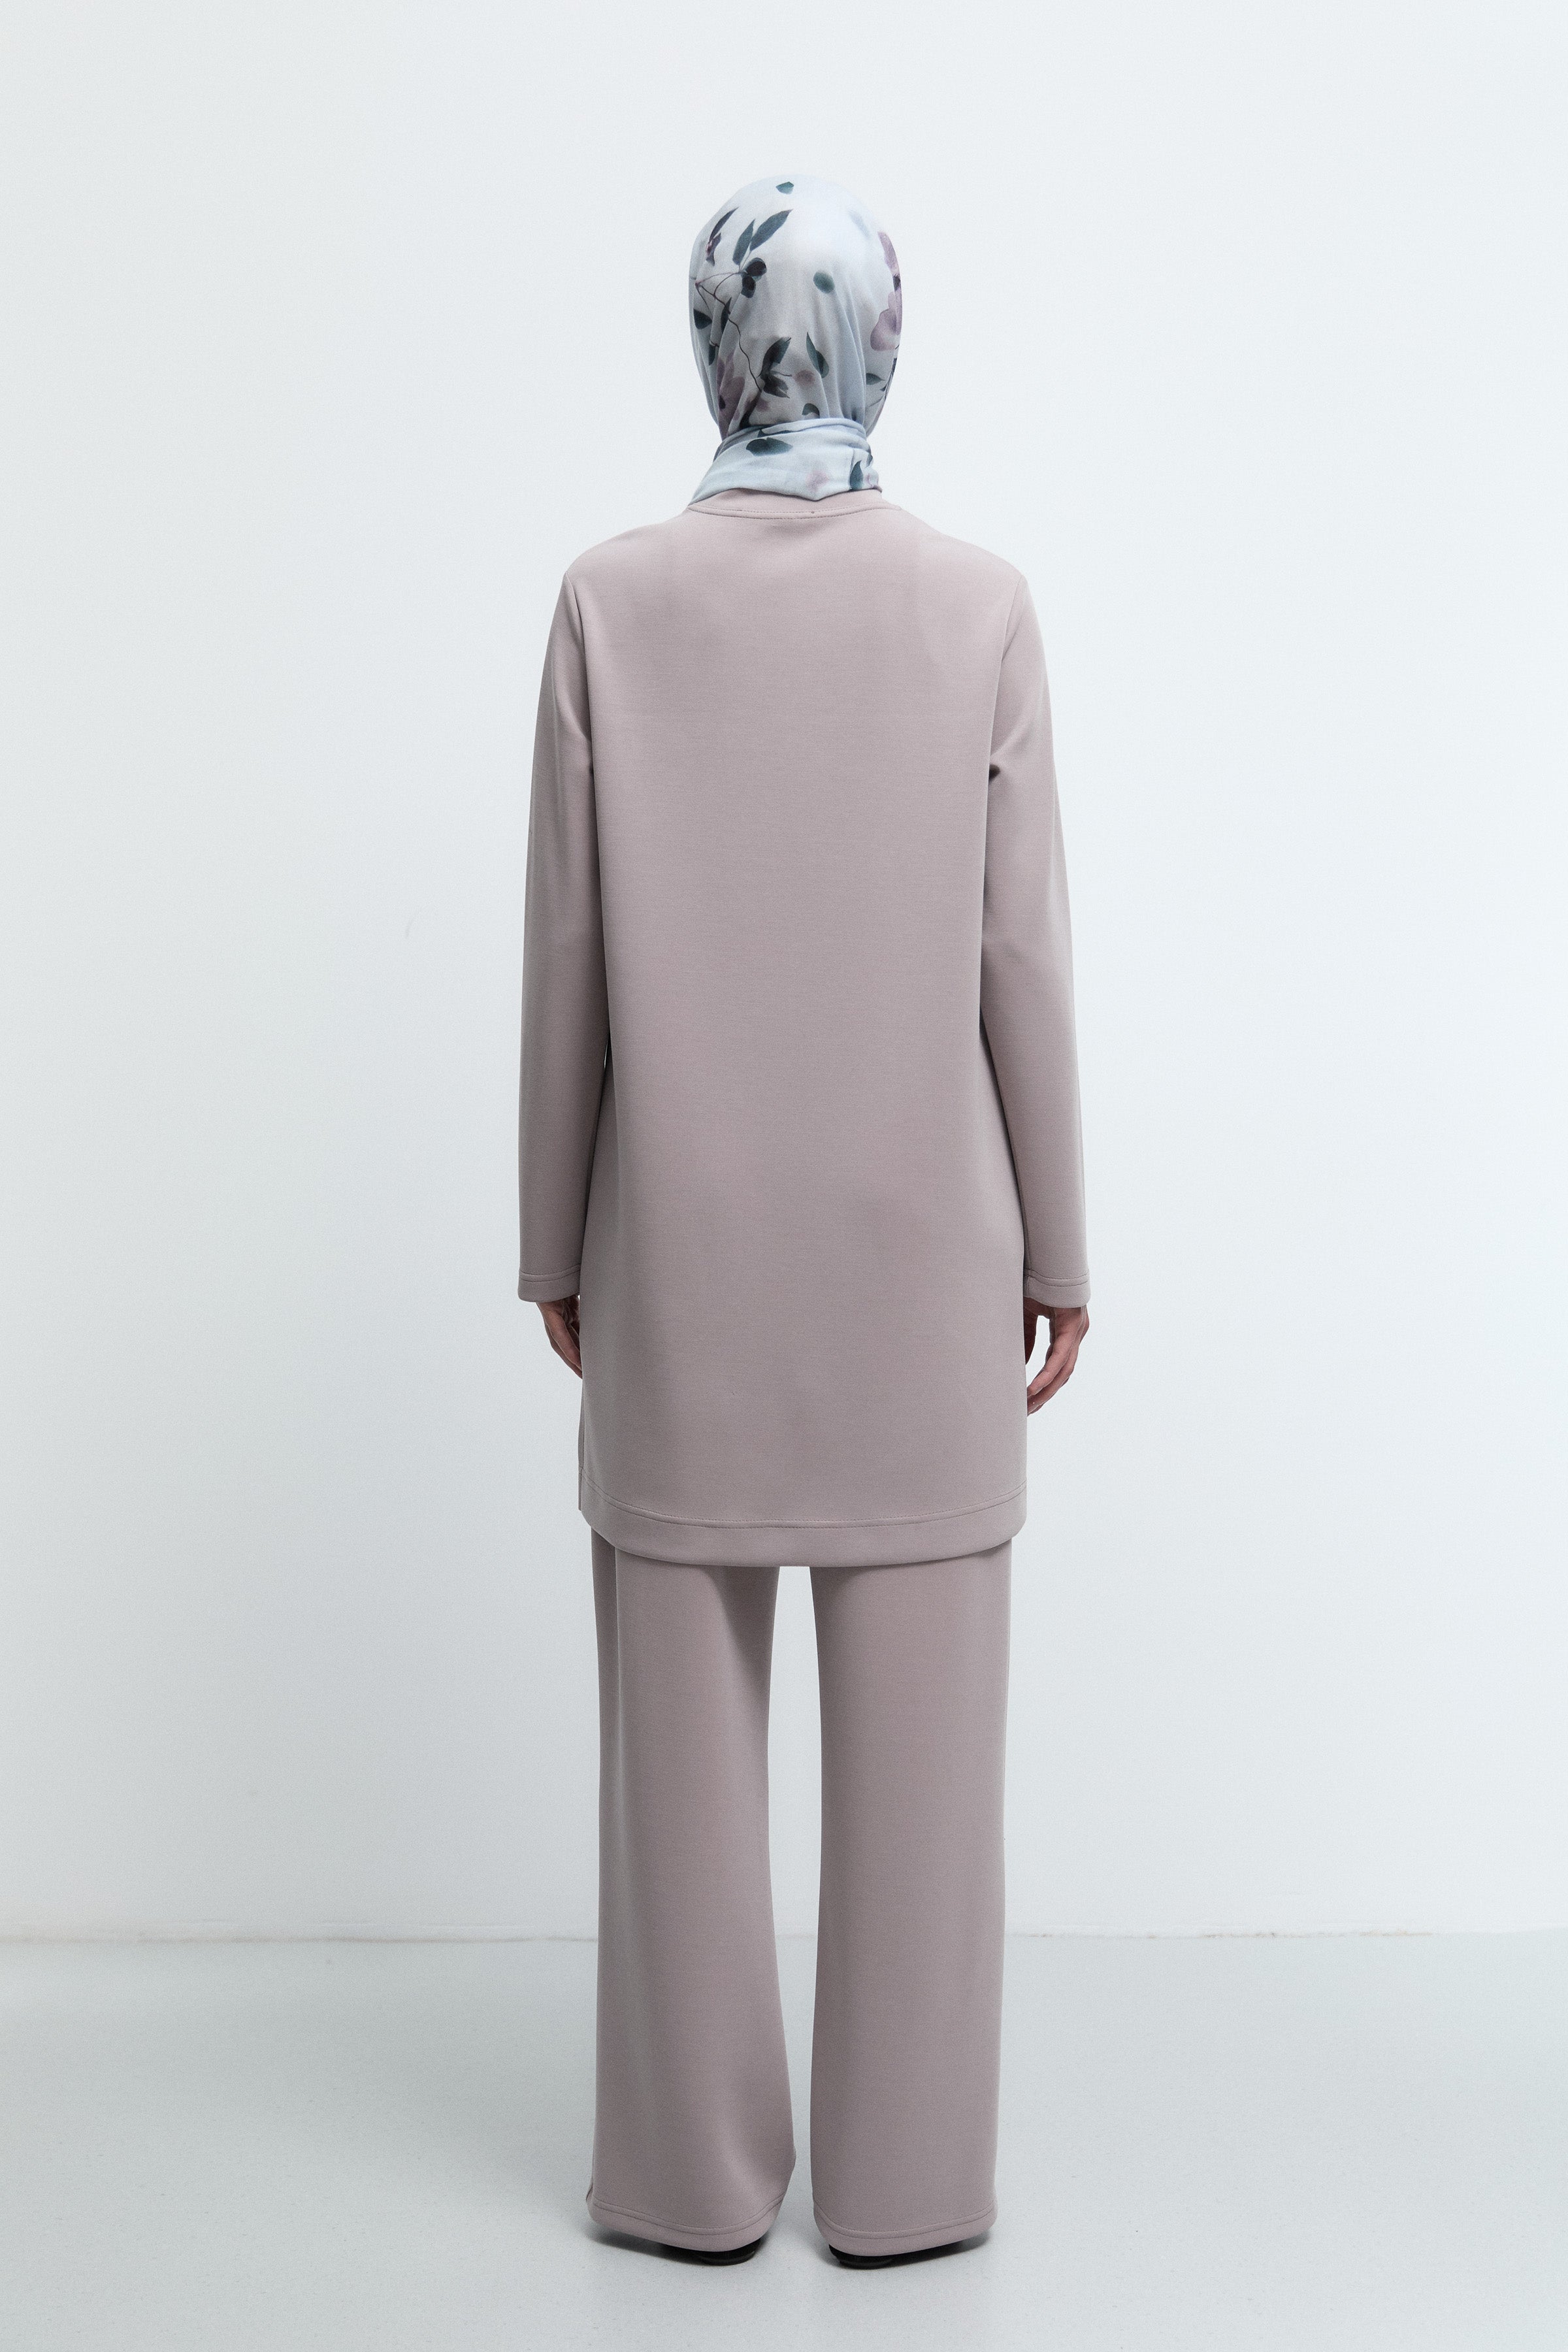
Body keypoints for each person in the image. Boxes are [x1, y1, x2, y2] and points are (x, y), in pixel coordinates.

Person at [517, 174, 1089, 2270]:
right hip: (926, 1272)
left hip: (676, 1260)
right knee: (932, 1789)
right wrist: (1063, 1248)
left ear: (711, 341)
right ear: (887, 341)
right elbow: (1021, 960)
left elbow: (566, 952)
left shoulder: (611, 602)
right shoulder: (979, 606)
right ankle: (910, 2190)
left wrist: (552, 1240)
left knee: (675, 1779)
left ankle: (687, 2181)